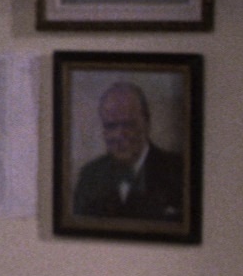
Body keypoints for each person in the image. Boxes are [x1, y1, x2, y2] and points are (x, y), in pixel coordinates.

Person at [72, 81, 184, 221]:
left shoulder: (178, 171)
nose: (119, 135)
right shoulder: (90, 177)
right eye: (111, 126)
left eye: (128, 124)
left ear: (147, 123)